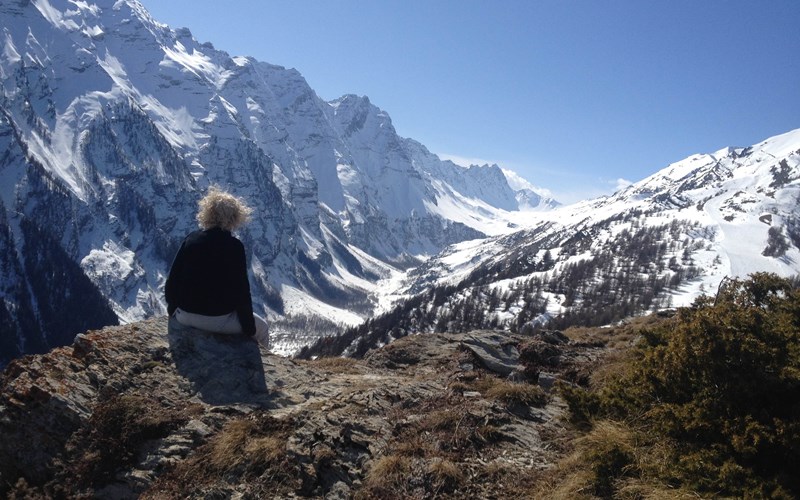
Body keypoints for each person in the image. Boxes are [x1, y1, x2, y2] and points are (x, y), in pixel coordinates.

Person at [165, 186, 269, 347]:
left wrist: (173, 310)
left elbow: (173, 279)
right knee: (262, 328)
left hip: (183, 315)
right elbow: (241, 290)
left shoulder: (191, 239)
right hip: (217, 320)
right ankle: (257, 362)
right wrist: (249, 327)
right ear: (235, 218)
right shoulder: (235, 247)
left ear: (206, 213)